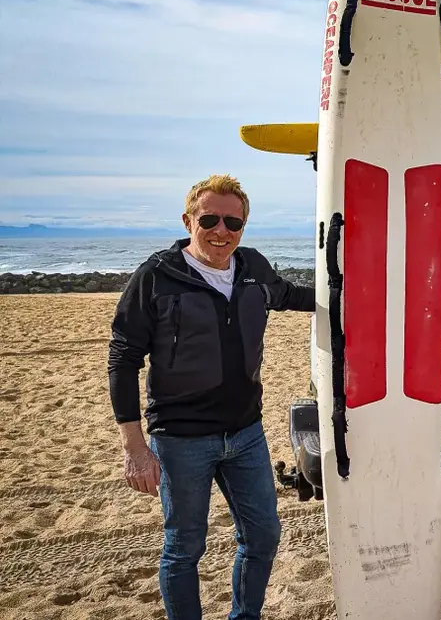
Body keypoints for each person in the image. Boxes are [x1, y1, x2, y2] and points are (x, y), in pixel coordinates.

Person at [107, 173, 315, 620]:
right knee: (184, 547)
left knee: (263, 538)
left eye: (233, 223)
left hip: (245, 433)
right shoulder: (156, 277)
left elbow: (292, 295)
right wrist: (135, 447)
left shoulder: (253, 268)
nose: (222, 231)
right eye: (210, 219)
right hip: (180, 439)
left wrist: (356, 296)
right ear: (188, 220)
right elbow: (123, 358)